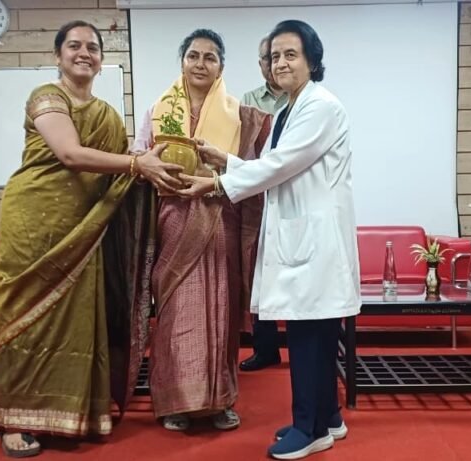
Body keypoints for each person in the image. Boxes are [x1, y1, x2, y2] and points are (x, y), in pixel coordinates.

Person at [0, 20, 182, 458]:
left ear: (101, 59)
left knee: (80, 321)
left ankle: (78, 413)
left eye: (92, 47)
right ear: (58, 55)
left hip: (87, 230)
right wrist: (137, 165)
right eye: (74, 45)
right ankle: (16, 419)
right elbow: (70, 154)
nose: (83, 53)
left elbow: (119, 171)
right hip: (35, 226)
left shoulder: (108, 115)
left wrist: (154, 169)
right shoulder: (47, 98)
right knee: (28, 319)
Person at [179, 20, 359, 460]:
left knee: (309, 334)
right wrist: (226, 160)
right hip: (302, 238)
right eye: (274, 56)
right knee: (314, 331)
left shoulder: (321, 106)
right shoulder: (286, 112)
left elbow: (280, 166)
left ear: (312, 60)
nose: (280, 63)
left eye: (290, 55)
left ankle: (309, 428)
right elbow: (275, 164)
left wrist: (216, 183)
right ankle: (329, 418)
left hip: (315, 241)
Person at [132, 29, 271, 432]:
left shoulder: (240, 116)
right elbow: (138, 157)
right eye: (193, 55)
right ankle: (175, 403)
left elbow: (255, 170)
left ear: (221, 67)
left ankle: (220, 400)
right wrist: (150, 168)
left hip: (220, 217)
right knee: (177, 310)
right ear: (182, 61)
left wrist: (219, 171)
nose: (200, 63)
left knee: (220, 309)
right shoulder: (158, 109)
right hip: (174, 220)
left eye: (210, 57)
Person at [238, 35, 288, 373]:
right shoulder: (248, 101)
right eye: (268, 58)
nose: (275, 64)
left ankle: (305, 344)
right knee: (259, 271)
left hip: (293, 191)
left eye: (281, 56)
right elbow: (246, 150)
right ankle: (266, 348)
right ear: (260, 64)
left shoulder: (302, 99)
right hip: (258, 198)